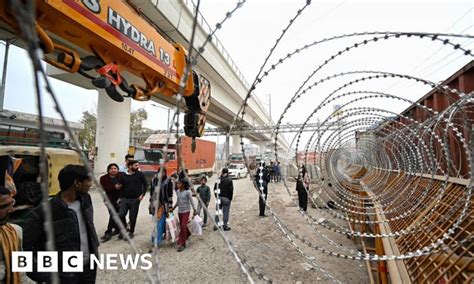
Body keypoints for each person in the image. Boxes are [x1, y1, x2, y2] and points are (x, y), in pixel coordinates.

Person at [23, 165, 99, 283]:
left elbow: (89, 229)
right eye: (88, 180)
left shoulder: (86, 200)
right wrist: (45, 277)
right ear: (77, 183)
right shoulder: (42, 213)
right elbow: (25, 251)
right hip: (64, 276)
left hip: (88, 269)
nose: (91, 184)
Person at [118, 160, 147, 240]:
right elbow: (120, 186)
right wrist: (119, 195)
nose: (138, 167)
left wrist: (142, 194)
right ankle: (124, 228)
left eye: (138, 165)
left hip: (135, 199)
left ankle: (131, 232)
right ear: (130, 166)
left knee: (132, 217)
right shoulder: (123, 175)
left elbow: (145, 184)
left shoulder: (140, 174)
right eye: (136, 165)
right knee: (121, 215)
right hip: (125, 199)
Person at [0, 186, 22, 284]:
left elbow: (21, 273)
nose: (11, 210)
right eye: (4, 206)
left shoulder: (15, 231)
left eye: (11, 204)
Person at [99, 163, 123, 242]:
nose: (113, 170)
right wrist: (114, 187)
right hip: (109, 199)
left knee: (113, 214)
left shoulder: (121, 176)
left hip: (119, 199)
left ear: (118, 170)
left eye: (115, 168)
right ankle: (117, 228)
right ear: (108, 170)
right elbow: (104, 188)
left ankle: (108, 232)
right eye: (111, 168)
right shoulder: (103, 178)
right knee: (113, 215)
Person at [170, 179, 196, 252]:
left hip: (186, 211)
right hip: (180, 211)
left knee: (183, 226)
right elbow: (178, 201)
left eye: (179, 184)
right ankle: (187, 233)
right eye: (177, 184)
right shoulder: (178, 192)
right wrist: (173, 208)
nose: (177, 185)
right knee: (182, 226)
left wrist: (194, 209)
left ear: (183, 185)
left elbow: (191, 201)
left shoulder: (187, 192)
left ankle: (182, 243)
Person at [150, 168, 173, 245]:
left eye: (163, 172)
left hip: (163, 205)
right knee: (157, 223)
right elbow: (151, 193)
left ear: (165, 173)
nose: (161, 174)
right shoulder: (154, 180)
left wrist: (170, 206)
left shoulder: (168, 181)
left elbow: (170, 195)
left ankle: (156, 241)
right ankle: (158, 237)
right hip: (155, 205)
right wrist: (150, 204)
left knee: (159, 223)